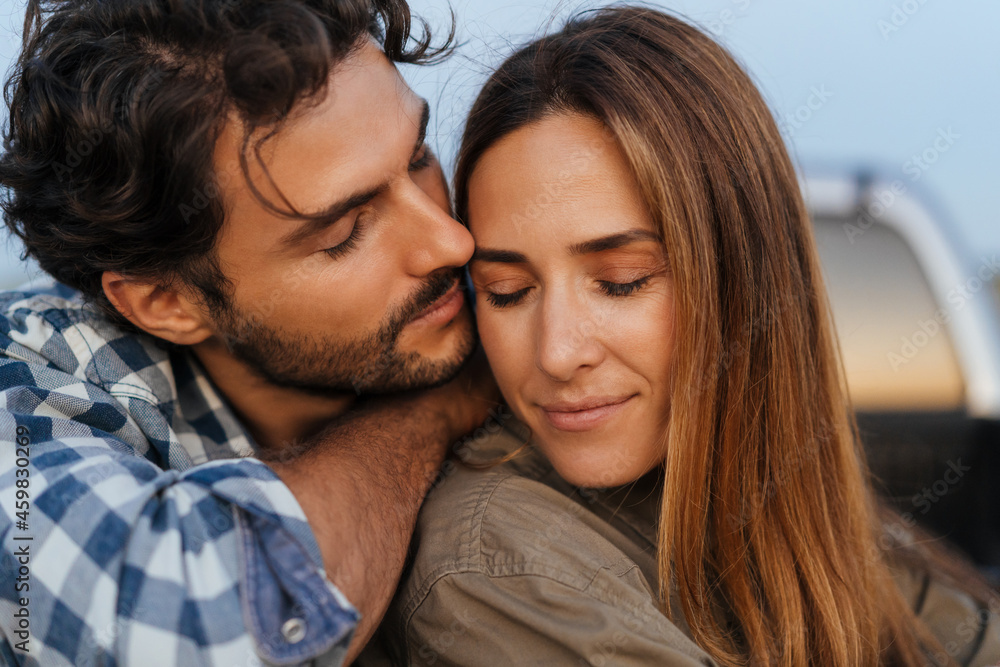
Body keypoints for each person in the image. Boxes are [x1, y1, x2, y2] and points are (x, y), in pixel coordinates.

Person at [365, 7, 1000, 666]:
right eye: (506, 291)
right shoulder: (496, 561)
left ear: (743, 282)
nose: (556, 351)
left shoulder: (782, 500)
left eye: (621, 281)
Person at [0, 0, 497, 664]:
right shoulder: (25, 388)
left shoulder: (511, 296)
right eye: (346, 232)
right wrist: (431, 414)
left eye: (418, 158)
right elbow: (202, 632)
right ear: (165, 301)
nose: (452, 241)